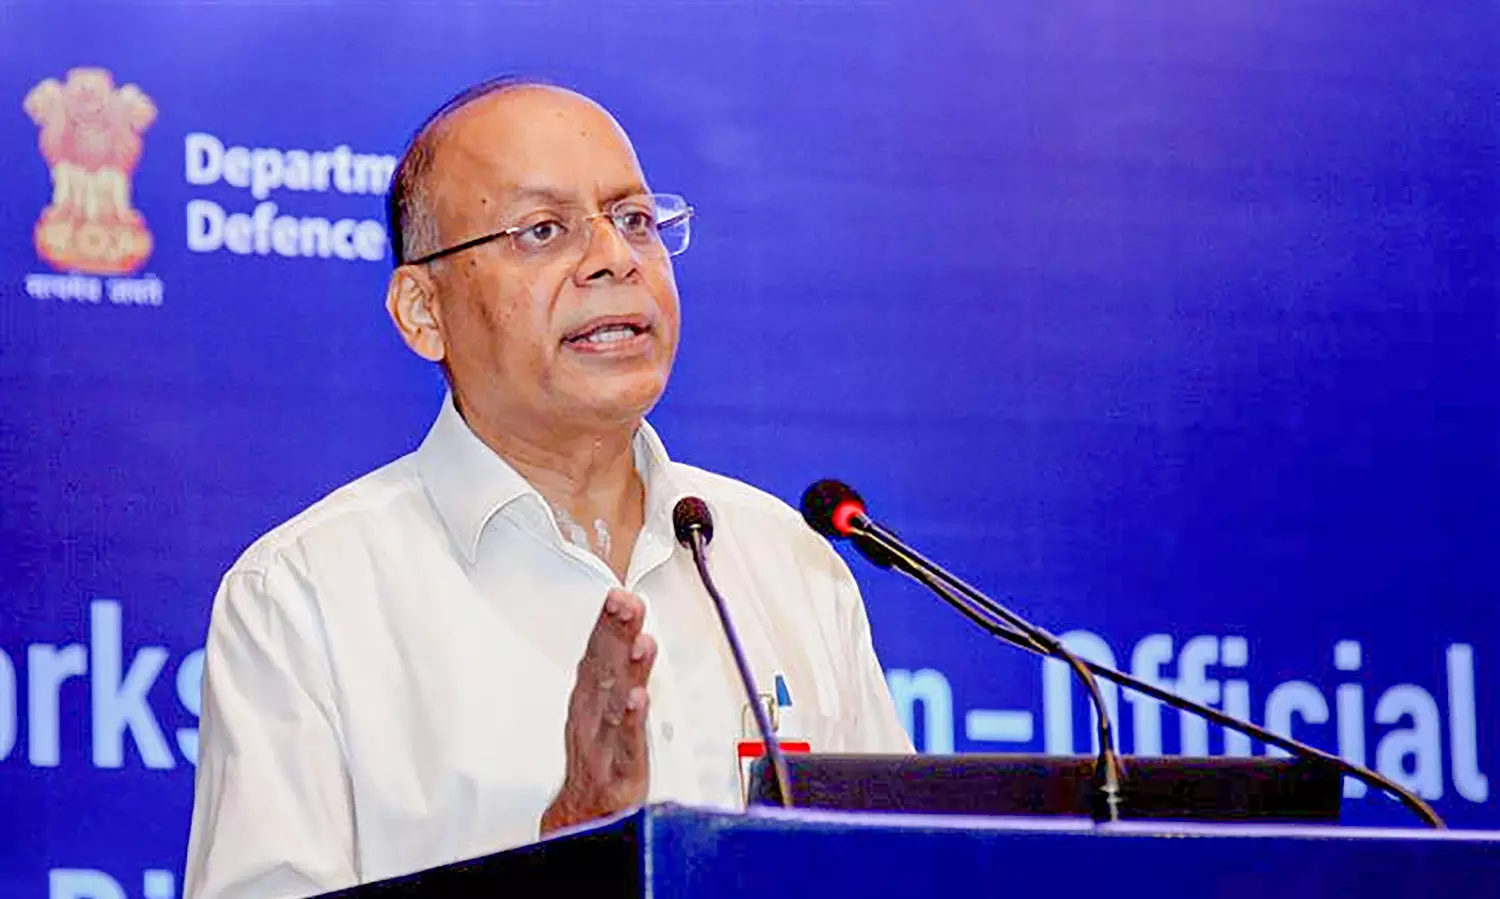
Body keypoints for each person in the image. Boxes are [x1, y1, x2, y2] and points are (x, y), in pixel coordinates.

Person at [183, 77, 911, 899]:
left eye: (635, 220)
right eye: (542, 230)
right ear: (423, 310)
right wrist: (571, 850)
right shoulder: (304, 595)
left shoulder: (789, 565)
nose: (615, 258)